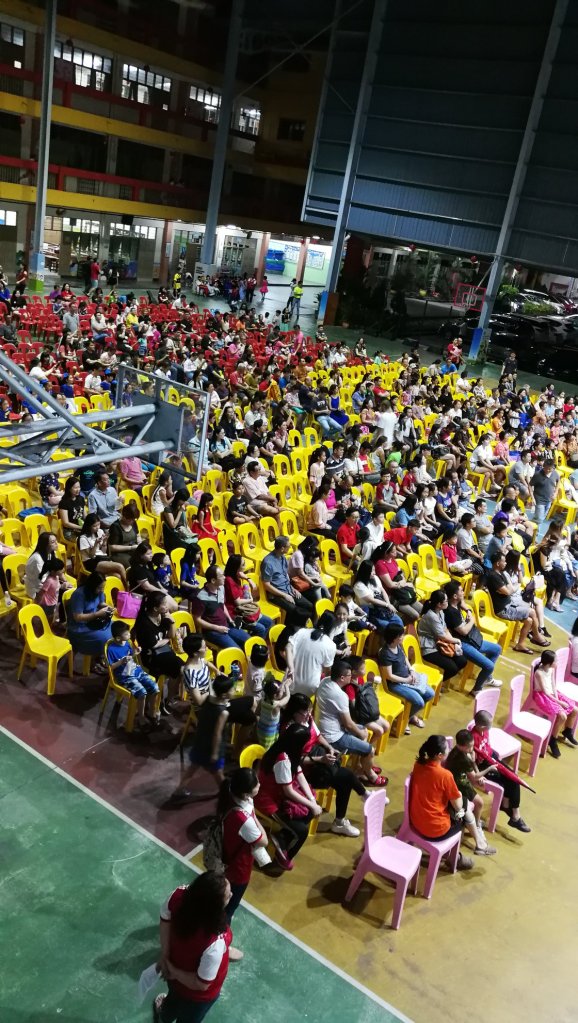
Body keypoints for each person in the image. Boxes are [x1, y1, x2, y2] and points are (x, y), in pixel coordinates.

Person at [155, 871, 237, 1022]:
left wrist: (165, 958)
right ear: (214, 907)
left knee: (171, 1002)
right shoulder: (215, 941)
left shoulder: (177, 896)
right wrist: (173, 971)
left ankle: (164, 1016)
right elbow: (201, 984)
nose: (231, 895)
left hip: (176, 976)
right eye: (227, 896)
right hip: (198, 997)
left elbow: (165, 920)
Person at [281, 693, 366, 837]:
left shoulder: (308, 720)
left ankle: (344, 816)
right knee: (346, 778)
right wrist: (320, 759)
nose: (308, 714)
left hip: (317, 761)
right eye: (304, 712)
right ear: (294, 712)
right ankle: (354, 806)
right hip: (304, 773)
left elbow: (318, 735)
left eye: (309, 710)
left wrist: (329, 748)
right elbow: (294, 762)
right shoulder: (290, 731)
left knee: (344, 779)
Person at [409, 735, 488, 869]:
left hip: (415, 820)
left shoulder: (418, 765)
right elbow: (458, 806)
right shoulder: (445, 775)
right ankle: (455, 857)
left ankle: (476, 843)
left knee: (462, 807)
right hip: (435, 830)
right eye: (447, 748)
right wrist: (460, 795)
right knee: (463, 812)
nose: (450, 749)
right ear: (440, 755)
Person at [256, 723, 321, 869]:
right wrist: (312, 805)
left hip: (280, 795)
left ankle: (283, 837)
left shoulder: (288, 751)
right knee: (302, 831)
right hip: (269, 802)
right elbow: (288, 791)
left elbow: (299, 774)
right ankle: (283, 856)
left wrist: (312, 800)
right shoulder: (283, 759)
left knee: (311, 809)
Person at [316, 660, 385, 785]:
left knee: (363, 730)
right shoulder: (340, 695)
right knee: (370, 749)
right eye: (349, 675)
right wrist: (360, 733)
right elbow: (348, 724)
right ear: (342, 678)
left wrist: (360, 732)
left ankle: (362, 767)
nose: (351, 676)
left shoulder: (325, 681)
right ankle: (370, 775)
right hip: (334, 737)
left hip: (325, 727)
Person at [217, 768, 269, 922]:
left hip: (228, 856)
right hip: (238, 868)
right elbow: (264, 841)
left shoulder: (231, 794)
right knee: (230, 905)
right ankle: (222, 927)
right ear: (246, 794)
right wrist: (256, 823)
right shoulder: (242, 819)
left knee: (222, 898)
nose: (259, 784)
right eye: (256, 784)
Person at [471, 710, 531, 832]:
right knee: (512, 781)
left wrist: (493, 757)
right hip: (483, 766)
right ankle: (515, 816)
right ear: (481, 726)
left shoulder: (484, 731)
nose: (490, 727)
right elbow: (471, 761)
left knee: (513, 777)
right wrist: (478, 775)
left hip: (490, 758)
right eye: (489, 725)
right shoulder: (472, 739)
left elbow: (487, 744)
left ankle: (506, 804)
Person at [443, 581, 502, 694]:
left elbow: (463, 602)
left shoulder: (456, 602)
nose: (463, 592)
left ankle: (487, 678)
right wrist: (472, 620)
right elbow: (464, 631)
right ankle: (476, 689)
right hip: (461, 643)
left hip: (470, 639)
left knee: (497, 649)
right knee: (489, 666)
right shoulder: (451, 612)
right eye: (461, 591)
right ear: (454, 596)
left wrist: (468, 611)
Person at [486, 550, 549, 654]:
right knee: (532, 612)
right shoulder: (494, 576)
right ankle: (537, 636)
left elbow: (510, 589)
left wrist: (510, 589)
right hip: (503, 609)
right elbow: (508, 591)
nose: (505, 563)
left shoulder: (500, 573)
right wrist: (510, 589)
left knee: (529, 621)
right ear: (497, 563)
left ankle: (520, 645)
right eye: (503, 561)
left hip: (509, 605)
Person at [378, 622, 435, 732]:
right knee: (419, 702)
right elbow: (389, 676)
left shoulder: (398, 646)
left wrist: (412, 670)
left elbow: (404, 658)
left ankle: (409, 716)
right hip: (395, 684)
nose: (403, 637)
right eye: (401, 635)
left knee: (430, 693)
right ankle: (403, 722)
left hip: (407, 678)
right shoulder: (385, 653)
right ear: (394, 638)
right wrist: (406, 680)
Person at [445, 729, 500, 835]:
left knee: (480, 793)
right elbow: (474, 777)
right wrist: (489, 769)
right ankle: (477, 825)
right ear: (460, 745)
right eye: (469, 747)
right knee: (479, 802)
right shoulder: (462, 758)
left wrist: (473, 761)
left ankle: (475, 822)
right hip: (457, 784)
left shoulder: (459, 750)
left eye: (472, 745)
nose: (472, 749)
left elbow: (473, 768)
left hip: (461, 777)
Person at [106, 620, 159, 729]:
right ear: (118, 638)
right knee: (142, 693)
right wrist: (121, 661)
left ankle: (151, 712)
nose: (129, 635)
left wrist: (135, 652)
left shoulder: (127, 643)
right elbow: (111, 667)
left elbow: (131, 656)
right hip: (124, 677)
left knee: (155, 687)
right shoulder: (111, 649)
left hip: (135, 670)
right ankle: (141, 718)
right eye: (126, 634)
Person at [133, 592, 183, 702]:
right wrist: (166, 640)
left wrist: (172, 622)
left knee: (181, 669)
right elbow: (153, 644)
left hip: (163, 651)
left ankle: (169, 698)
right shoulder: (144, 623)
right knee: (179, 669)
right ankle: (166, 701)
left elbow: (171, 635)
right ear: (155, 608)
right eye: (164, 604)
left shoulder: (163, 615)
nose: (167, 606)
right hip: (150, 656)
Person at [261, 535, 315, 627]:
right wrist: (284, 595)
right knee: (294, 609)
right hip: (276, 594)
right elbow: (267, 585)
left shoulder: (283, 558)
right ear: (282, 548)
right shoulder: (268, 563)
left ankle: (300, 626)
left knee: (308, 605)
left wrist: (292, 588)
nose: (290, 547)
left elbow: (285, 576)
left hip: (288, 589)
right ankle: (289, 628)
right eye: (288, 546)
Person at [193, 565, 251, 650]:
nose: (224, 577)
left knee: (249, 642)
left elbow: (222, 604)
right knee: (236, 651)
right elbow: (197, 619)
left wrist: (230, 619)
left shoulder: (221, 588)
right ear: (213, 580)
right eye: (221, 576)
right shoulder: (200, 597)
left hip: (226, 625)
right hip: (212, 631)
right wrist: (217, 628)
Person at [532, 649, 578, 758]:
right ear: (549, 663)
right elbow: (545, 692)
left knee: (575, 709)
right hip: (543, 696)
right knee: (562, 716)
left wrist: (558, 698)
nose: (557, 662)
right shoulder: (539, 673)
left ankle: (567, 731)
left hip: (553, 694)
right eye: (556, 661)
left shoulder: (551, 669)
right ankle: (553, 739)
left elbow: (553, 684)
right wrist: (559, 702)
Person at [417, 589, 469, 683]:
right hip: (429, 648)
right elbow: (442, 636)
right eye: (446, 601)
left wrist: (453, 642)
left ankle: (440, 683)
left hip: (439, 643)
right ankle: (435, 685)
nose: (447, 602)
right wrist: (456, 640)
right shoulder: (431, 616)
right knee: (452, 668)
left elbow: (445, 629)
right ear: (439, 604)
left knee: (462, 661)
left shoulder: (440, 612)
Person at [66, 572, 114, 669]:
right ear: (92, 586)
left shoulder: (98, 591)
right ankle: (93, 662)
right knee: (104, 638)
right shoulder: (79, 594)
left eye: (103, 587)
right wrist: (97, 614)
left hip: (93, 620)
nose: (102, 590)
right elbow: (78, 617)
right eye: (99, 588)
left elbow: (100, 603)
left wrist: (108, 607)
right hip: (79, 626)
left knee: (115, 629)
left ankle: (99, 656)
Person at [285, 611, 337, 696]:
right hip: (309, 687)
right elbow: (327, 671)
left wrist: (291, 667)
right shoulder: (331, 645)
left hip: (290, 679)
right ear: (332, 627)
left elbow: (288, 647)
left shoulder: (302, 631)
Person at [223, 555, 272, 639]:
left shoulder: (236, 574)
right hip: (236, 613)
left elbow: (242, 574)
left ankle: (255, 639)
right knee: (261, 629)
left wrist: (249, 579)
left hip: (244, 608)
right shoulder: (229, 580)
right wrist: (251, 600)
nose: (245, 566)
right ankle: (253, 644)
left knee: (269, 621)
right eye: (243, 564)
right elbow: (237, 602)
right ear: (236, 568)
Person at [78, 513, 127, 584]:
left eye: (98, 524)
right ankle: (128, 588)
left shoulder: (100, 532)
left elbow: (103, 552)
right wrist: (96, 544)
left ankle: (122, 590)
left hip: (101, 558)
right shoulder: (83, 538)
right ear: (88, 526)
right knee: (120, 566)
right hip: (90, 562)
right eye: (94, 526)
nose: (97, 527)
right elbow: (91, 556)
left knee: (117, 576)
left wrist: (105, 541)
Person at [256, 672, 291, 748]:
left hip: (261, 729)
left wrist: (284, 681)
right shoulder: (276, 705)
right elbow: (287, 697)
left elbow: (257, 713)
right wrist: (286, 687)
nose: (282, 691)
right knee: (267, 750)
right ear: (276, 695)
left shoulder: (262, 700)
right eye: (281, 691)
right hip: (269, 735)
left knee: (261, 746)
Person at [24, 532, 59, 600]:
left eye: (56, 540)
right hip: (37, 590)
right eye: (53, 542)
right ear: (45, 545)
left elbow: (57, 569)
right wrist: (59, 585)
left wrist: (64, 581)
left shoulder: (51, 552)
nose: (56, 543)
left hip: (47, 584)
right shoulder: (37, 559)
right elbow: (42, 581)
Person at [107, 503, 140, 569]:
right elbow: (112, 547)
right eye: (129, 520)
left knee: (146, 559)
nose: (132, 521)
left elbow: (138, 535)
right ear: (123, 516)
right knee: (133, 565)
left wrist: (140, 543)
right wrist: (131, 548)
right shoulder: (115, 526)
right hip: (119, 553)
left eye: (133, 519)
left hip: (133, 549)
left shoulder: (133, 522)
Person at [58, 476, 85, 542]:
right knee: (84, 541)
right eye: (75, 488)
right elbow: (66, 523)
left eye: (79, 487)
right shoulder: (64, 502)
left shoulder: (81, 499)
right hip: (69, 530)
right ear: (69, 488)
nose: (78, 489)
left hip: (81, 527)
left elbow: (85, 515)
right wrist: (81, 528)